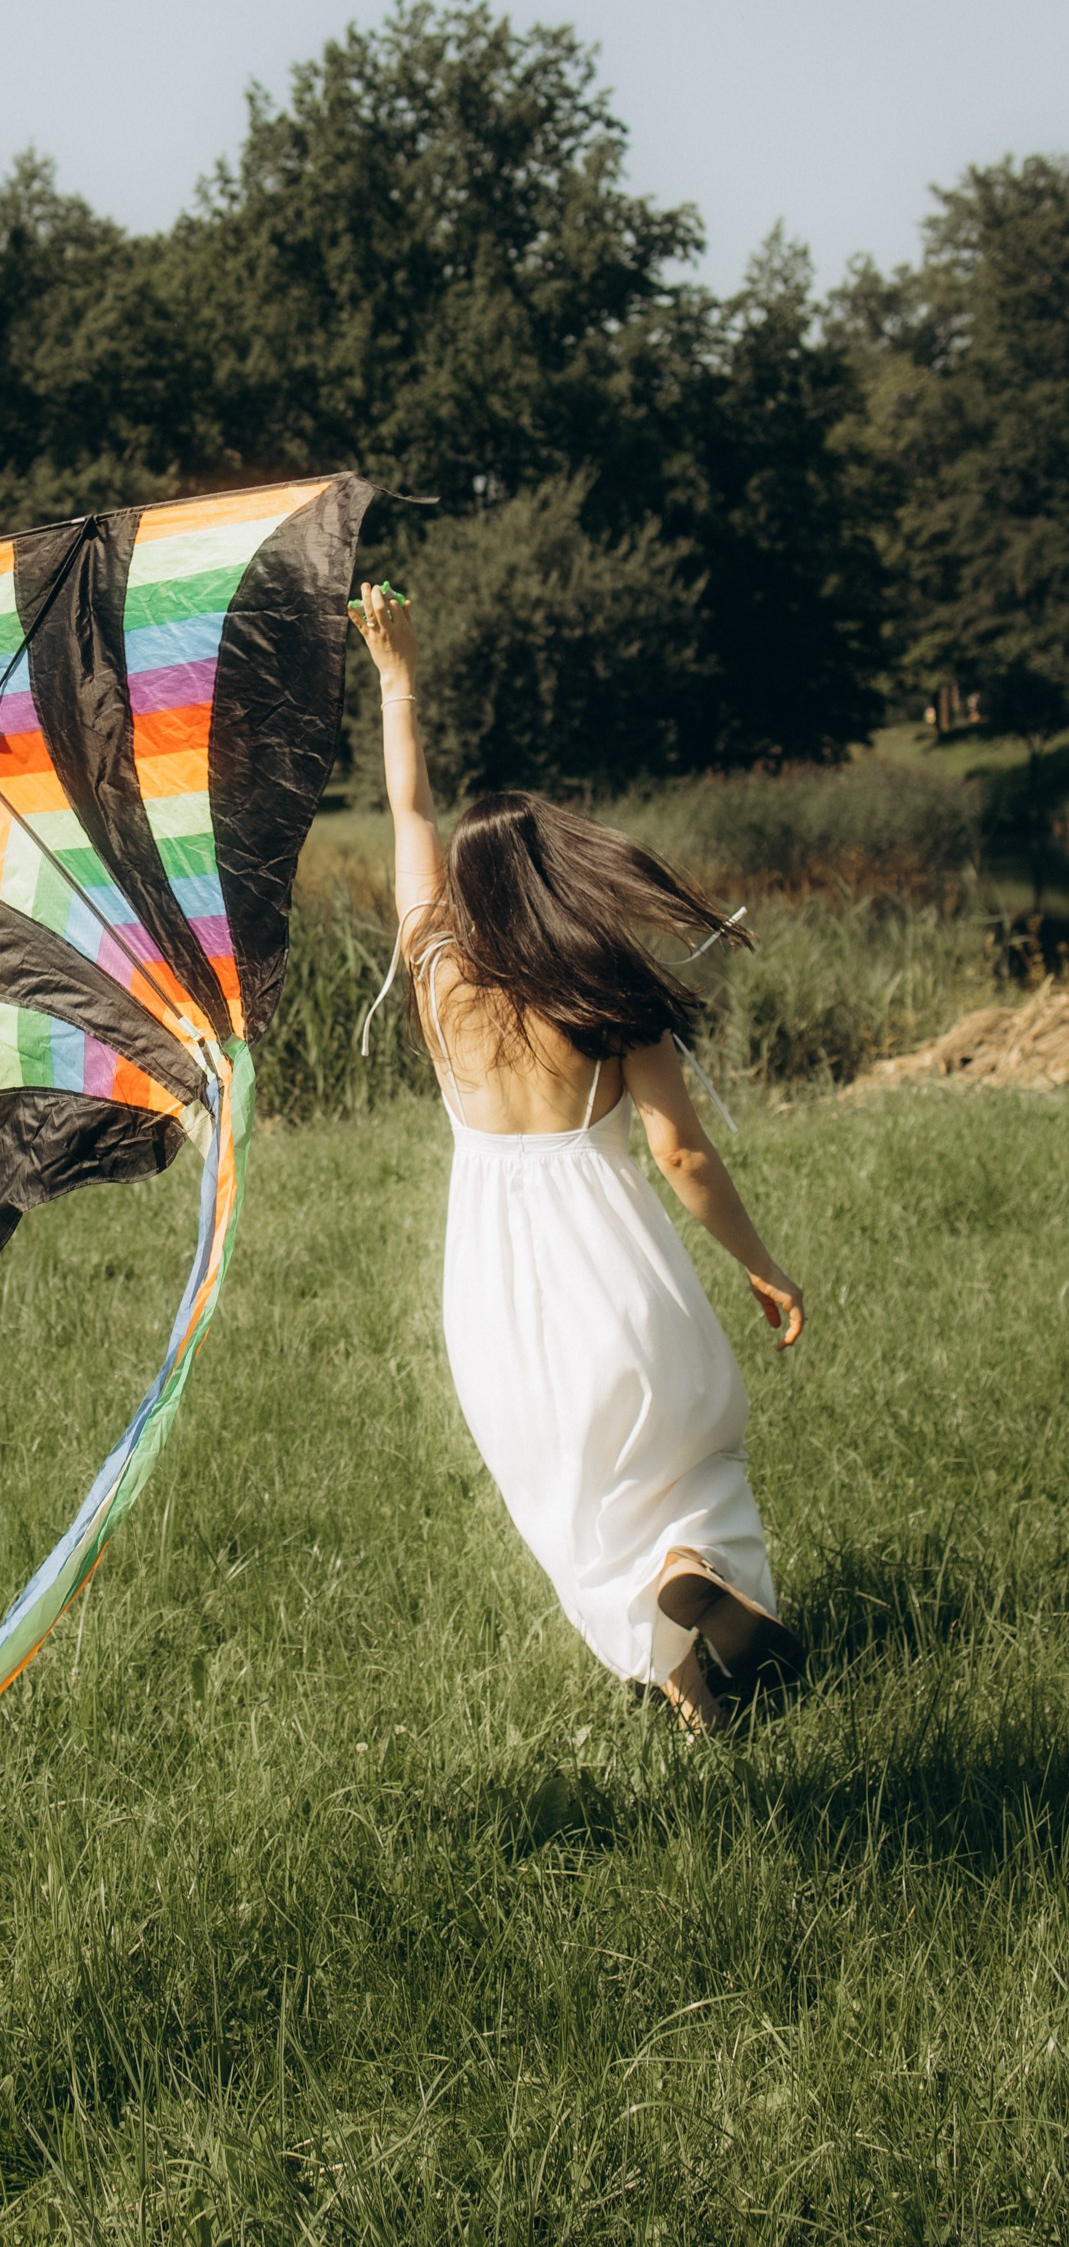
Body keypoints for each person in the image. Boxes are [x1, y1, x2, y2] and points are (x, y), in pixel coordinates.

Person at [349, 579, 806, 1734]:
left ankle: (679, 1673)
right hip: (619, 1280)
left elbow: (405, 814)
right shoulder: (604, 995)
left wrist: (394, 678)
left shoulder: (436, 972)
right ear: (556, 877)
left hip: (497, 1305)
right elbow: (680, 1152)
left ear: (470, 891)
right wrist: (763, 1265)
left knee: (569, 1495)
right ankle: (699, 1565)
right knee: (687, 1453)